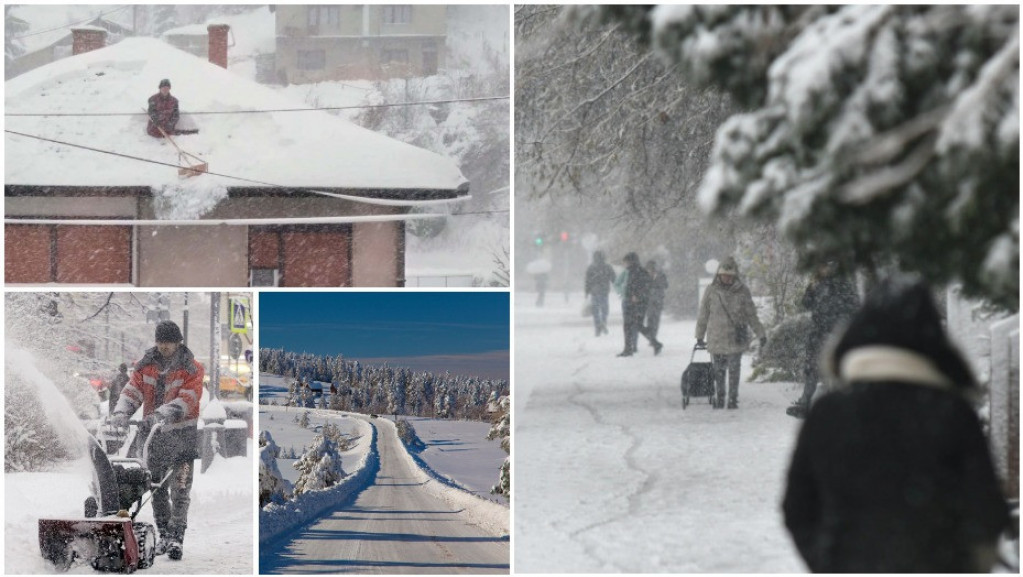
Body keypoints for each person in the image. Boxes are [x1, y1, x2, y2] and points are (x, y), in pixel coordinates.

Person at [782, 277, 1009, 572]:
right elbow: (985, 507)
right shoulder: (951, 411)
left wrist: (828, 560)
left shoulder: (829, 412)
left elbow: (798, 506)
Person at [110, 320, 204, 561]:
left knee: (180, 489)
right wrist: (122, 412)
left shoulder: (192, 369)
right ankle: (163, 534)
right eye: (160, 342)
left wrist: (161, 415)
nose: (164, 347)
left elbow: (188, 399)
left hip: (182, 440)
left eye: (168, 343)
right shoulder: (146, 366)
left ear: (178, 343)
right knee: (156, 489)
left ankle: (177, 538)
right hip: (154, 440)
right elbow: (132, 391)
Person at [786, 262, 860, 418]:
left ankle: (834, 405)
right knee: (812, 367)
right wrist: (811, 288)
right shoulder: (818, 283)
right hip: (818, 332)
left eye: (824, 266)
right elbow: (806, 304)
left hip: (835, 333)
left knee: (834, 368)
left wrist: (840, 323)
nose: (821, 270)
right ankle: (805, 403)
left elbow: (853, 307)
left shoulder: (843, 284)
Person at [695, 257, 765, 408]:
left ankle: (732, 399)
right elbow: (703, 314)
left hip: (735, 336)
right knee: (718, 371)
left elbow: (751, 314)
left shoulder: (743, 291)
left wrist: (761, 333)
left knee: (734, 370)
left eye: (729, 276)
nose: (726, 278)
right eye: (724, 275)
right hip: (717, 336)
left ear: (735, 275)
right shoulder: (711, 290)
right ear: (719, 275)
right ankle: (720, 397)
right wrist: (699, 335)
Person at [618, 252, 663, 357]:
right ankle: (630, 348)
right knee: (634, 326)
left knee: (634, 325)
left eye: (625, 261)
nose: (624, 264)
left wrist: (636, 296)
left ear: (630, 261)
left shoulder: (638, 272)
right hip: (634, 302)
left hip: (637, 303)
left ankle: (653, 343)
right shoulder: (634, 271)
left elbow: (645, 287)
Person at [584, 250, 615, 336]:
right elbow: (613, 278)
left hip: (594, 291)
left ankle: (597, 325)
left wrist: (586, 291)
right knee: (604, 309)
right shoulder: (607, 267)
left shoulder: (591, 267)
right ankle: (603, 321)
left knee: (595, 310)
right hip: (604, 291)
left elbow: (587, 281)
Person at [644, 259, 668, 343]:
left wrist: (656, 287)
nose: (650, 270)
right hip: (648, 301)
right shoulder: (645, 276)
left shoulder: (661, 275)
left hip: (658, 300)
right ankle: (651, 337)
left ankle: (653, 336)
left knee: (656, 320)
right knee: (650, 319)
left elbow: (665, 285)